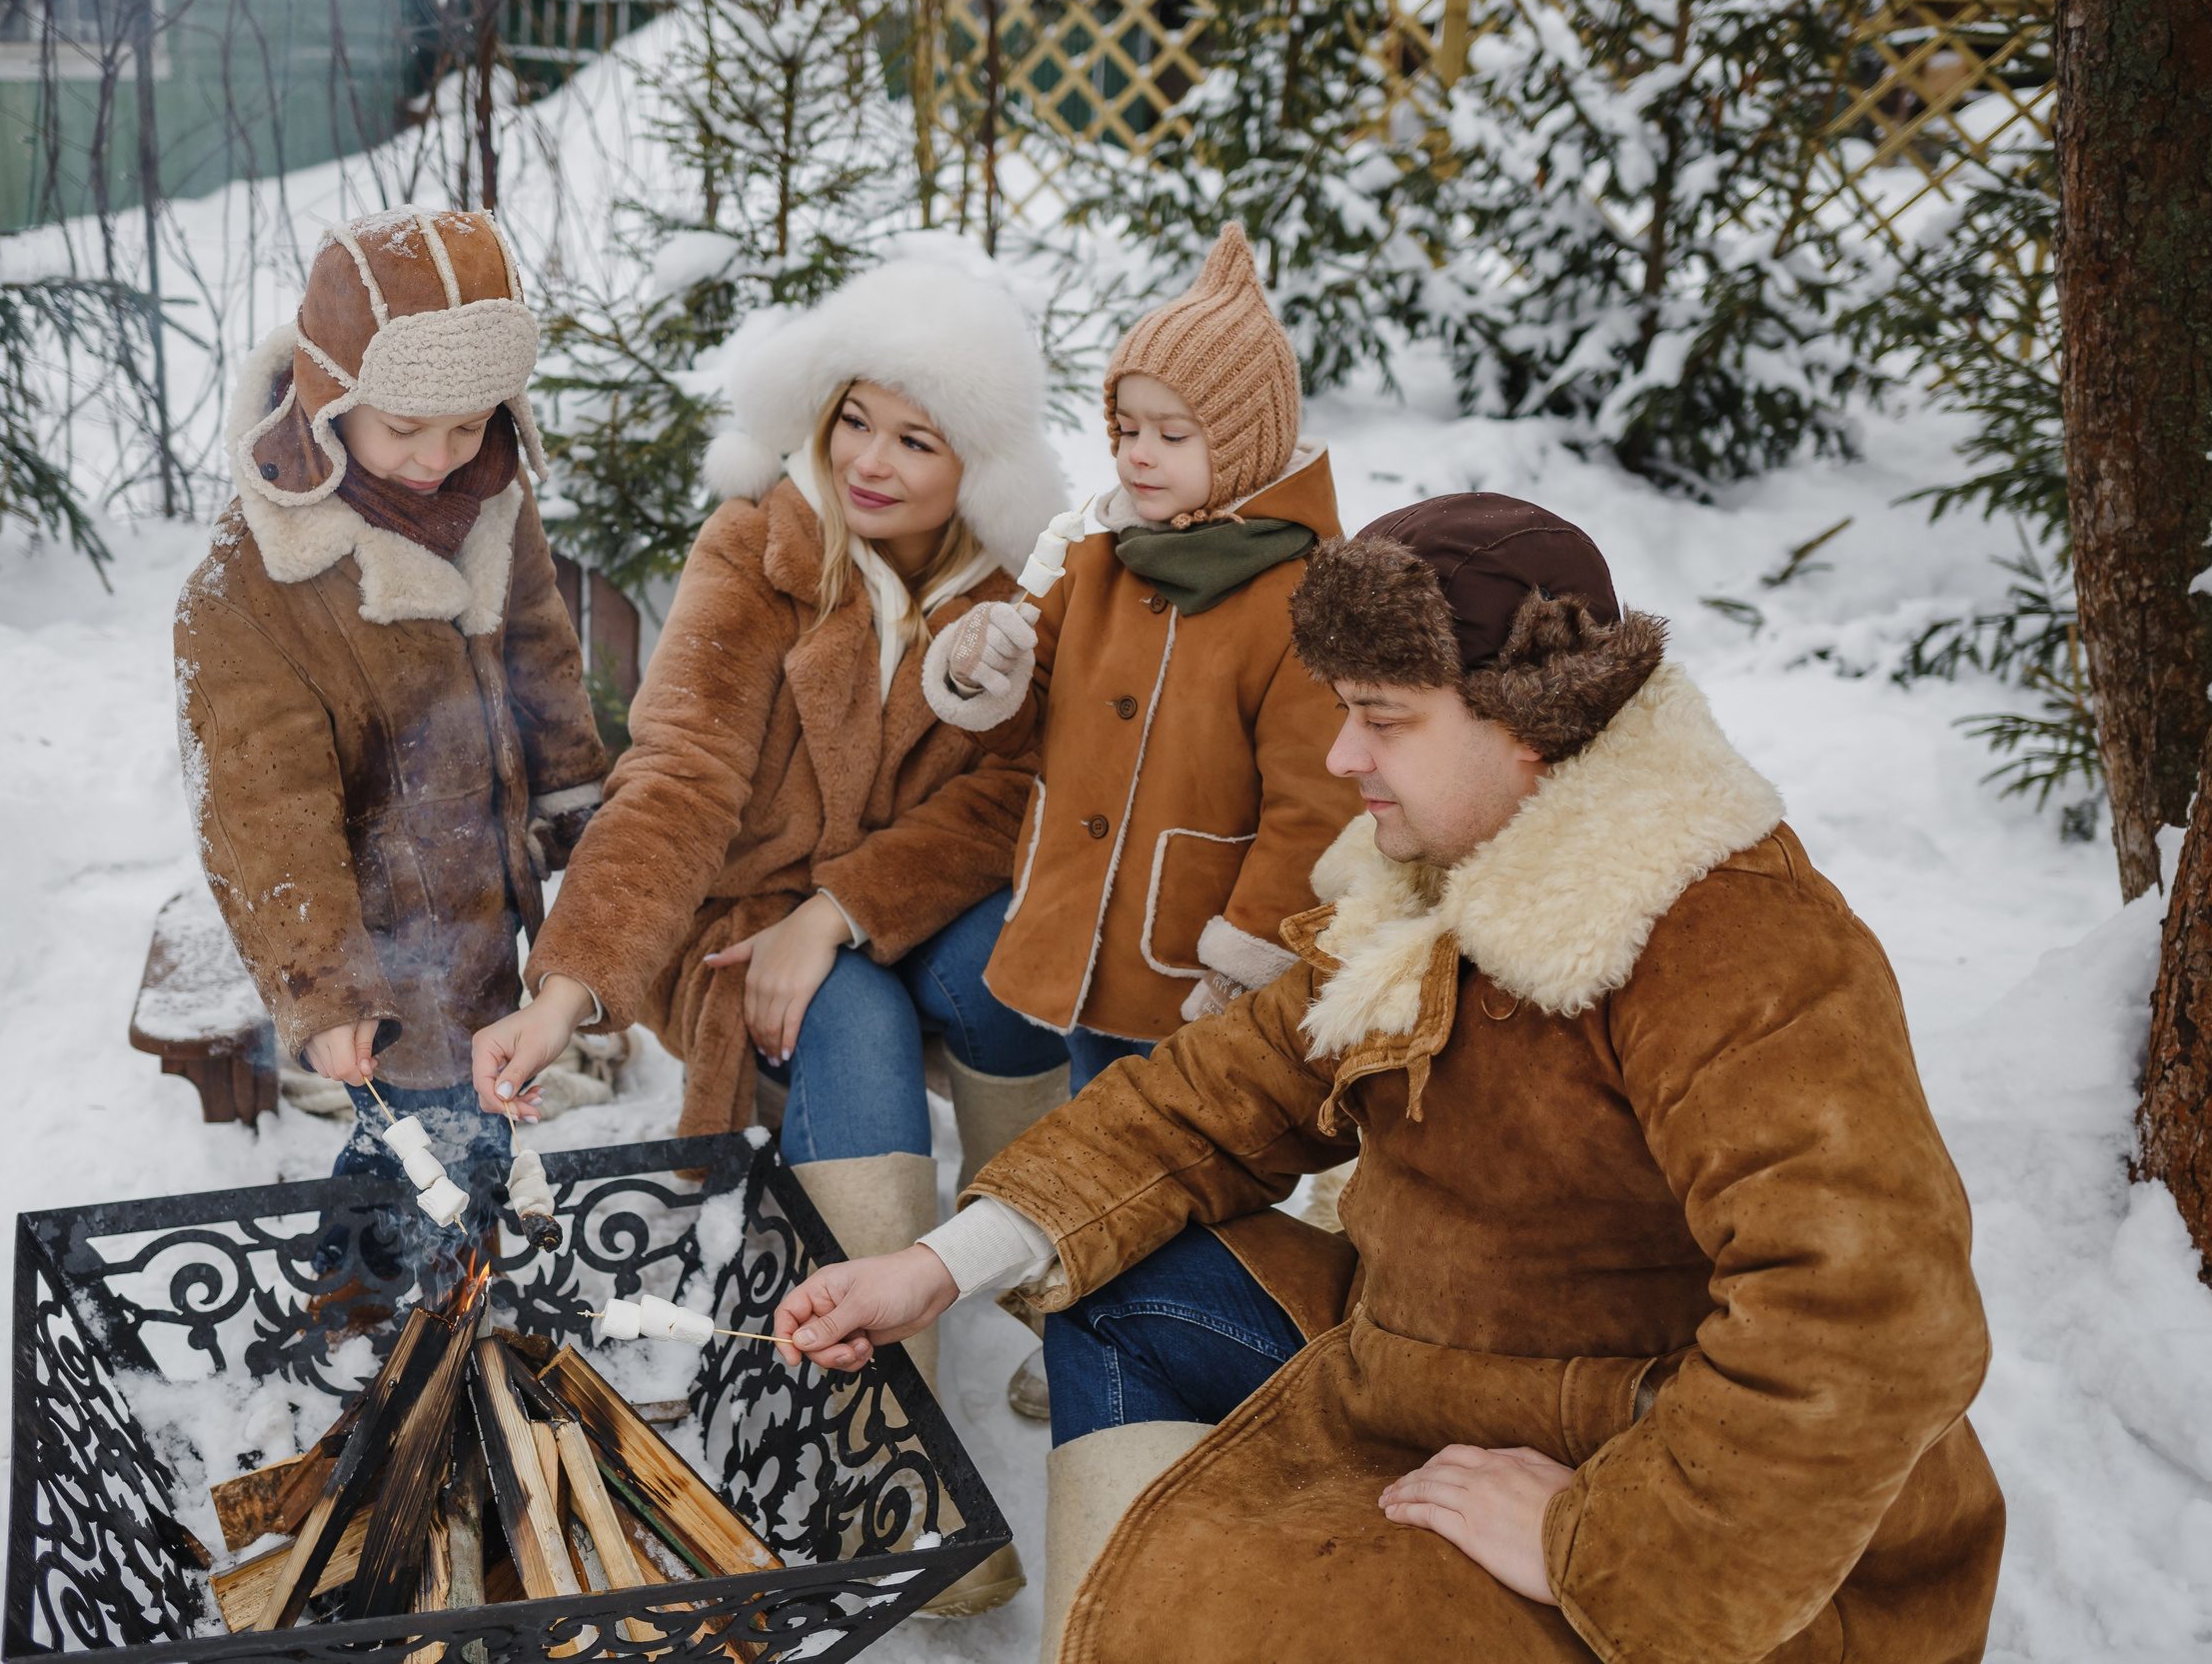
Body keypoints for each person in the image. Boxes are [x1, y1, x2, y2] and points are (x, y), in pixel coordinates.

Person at [771, 494, 2004, 1663]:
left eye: (1386, 717)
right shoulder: (1432, 882)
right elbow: (1212, 1100)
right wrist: (938, 1266)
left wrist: (1598, 1541)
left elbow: (1874, 1317)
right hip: (1435, 1368)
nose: (1343, 752)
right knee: (1118, 1283)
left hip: (1642, 1469)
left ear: (1534, 717)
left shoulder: (1729, 935)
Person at [470, 258, 1072, 1615]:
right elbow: (678, 773)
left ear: (971, 458)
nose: (869, 459)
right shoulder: (761, 547)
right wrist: (566, 989)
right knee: (840, 1017)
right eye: (855, 417)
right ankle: (896, 1450)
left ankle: (1038, 1244)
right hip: (744, 921)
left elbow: (1008, 796)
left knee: (1010, 962)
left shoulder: (1017, 596)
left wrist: (841, 906)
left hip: (889, 905)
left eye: (917, 439)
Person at [922, 220, 1361, 1416]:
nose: (1141, 453)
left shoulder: (1301, 594)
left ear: (1251, 439)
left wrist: (1248, 956)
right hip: (1083, 934)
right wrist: (984, 664)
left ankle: (1159, 1323)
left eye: (1176, 433)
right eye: (1127, 429)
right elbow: (1028, 711)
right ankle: (1083, 1306)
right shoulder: (1103, 556)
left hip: (1192, 955)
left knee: (1183, 1161)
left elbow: (1316, 805)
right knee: (1093, 1123)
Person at [176, 209, 610, 1264]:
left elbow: (539, 657)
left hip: (483, 898)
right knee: (405, 1139)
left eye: (467, 426)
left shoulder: (489, 493)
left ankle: (467, 1280)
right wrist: (323, 986)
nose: (438, 457)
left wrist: (580, 820)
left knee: (477, 1111)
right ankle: (367, 1307)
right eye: (406, 428)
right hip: (373, 930)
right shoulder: (256, 581)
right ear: (333, 400)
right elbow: (261, 809)